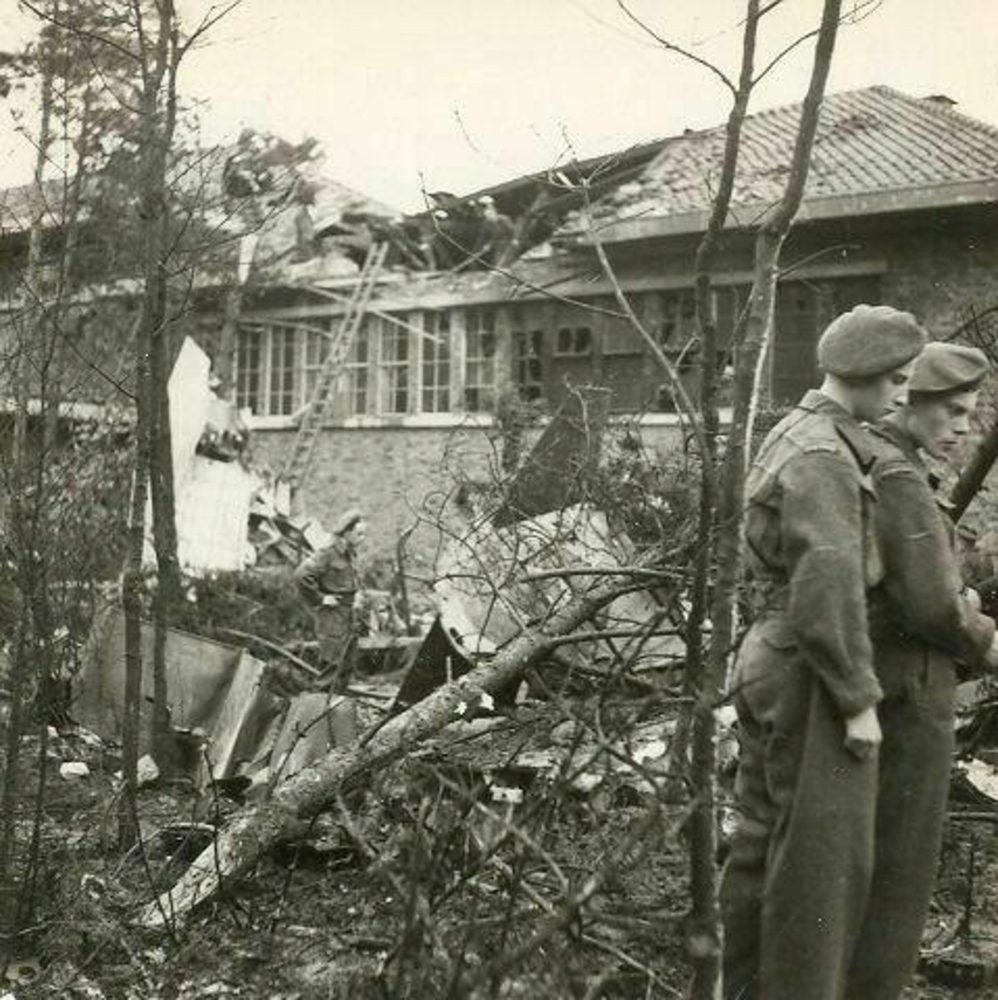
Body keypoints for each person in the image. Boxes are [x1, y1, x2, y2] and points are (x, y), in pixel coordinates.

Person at [720, 305, 927, 1000]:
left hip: (772, 653)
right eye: (896, 379)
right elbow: (827, 587)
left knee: (761, 846)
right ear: (863, 373)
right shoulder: (826, 457)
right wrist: (858, 699)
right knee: (821, 871)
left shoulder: (799, 433)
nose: (903, 394)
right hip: (808, 668)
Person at [847, 342, 998, 999]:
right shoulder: (898, 474)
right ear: (908, 401)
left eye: (971, 414)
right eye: (954, 412)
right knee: (901, 863)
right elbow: (932, 606)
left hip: (892, 679)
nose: (965, 428)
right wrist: (984, 635)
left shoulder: (883, 461)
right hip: (908, 688)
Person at [295, 508, 366, 693]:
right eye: (359, 534)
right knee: (331, 665)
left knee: (347, 664)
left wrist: (357, 595)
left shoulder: (350, 553)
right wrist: (321, 598)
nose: (363, 538)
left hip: (349, 614)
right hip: (333, 616)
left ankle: (336, 705)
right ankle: (318, 707)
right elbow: (302, 575)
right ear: (347, 533)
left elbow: (352, 580)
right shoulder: (328, 552)